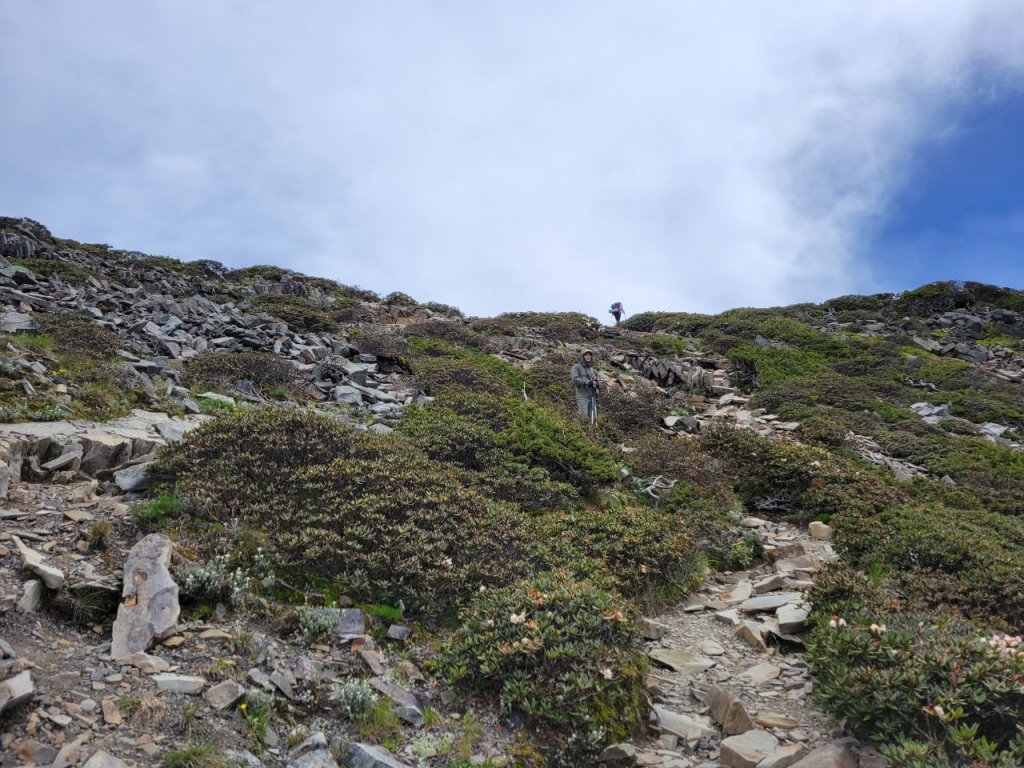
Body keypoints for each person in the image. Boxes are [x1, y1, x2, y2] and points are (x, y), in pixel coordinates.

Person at [571, 349, 599, 422]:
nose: (588, 356)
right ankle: (581, 432)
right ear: (582, 356)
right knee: (583, 417)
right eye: (586, 355)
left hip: (592, 396)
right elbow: (575, 379)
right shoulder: (576, 367)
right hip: (582, 396)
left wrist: (596, 382)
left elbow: (598, 381)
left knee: (593, 419)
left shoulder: (592, 369)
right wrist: (588, 382)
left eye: (590, 355)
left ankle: (591, 433)